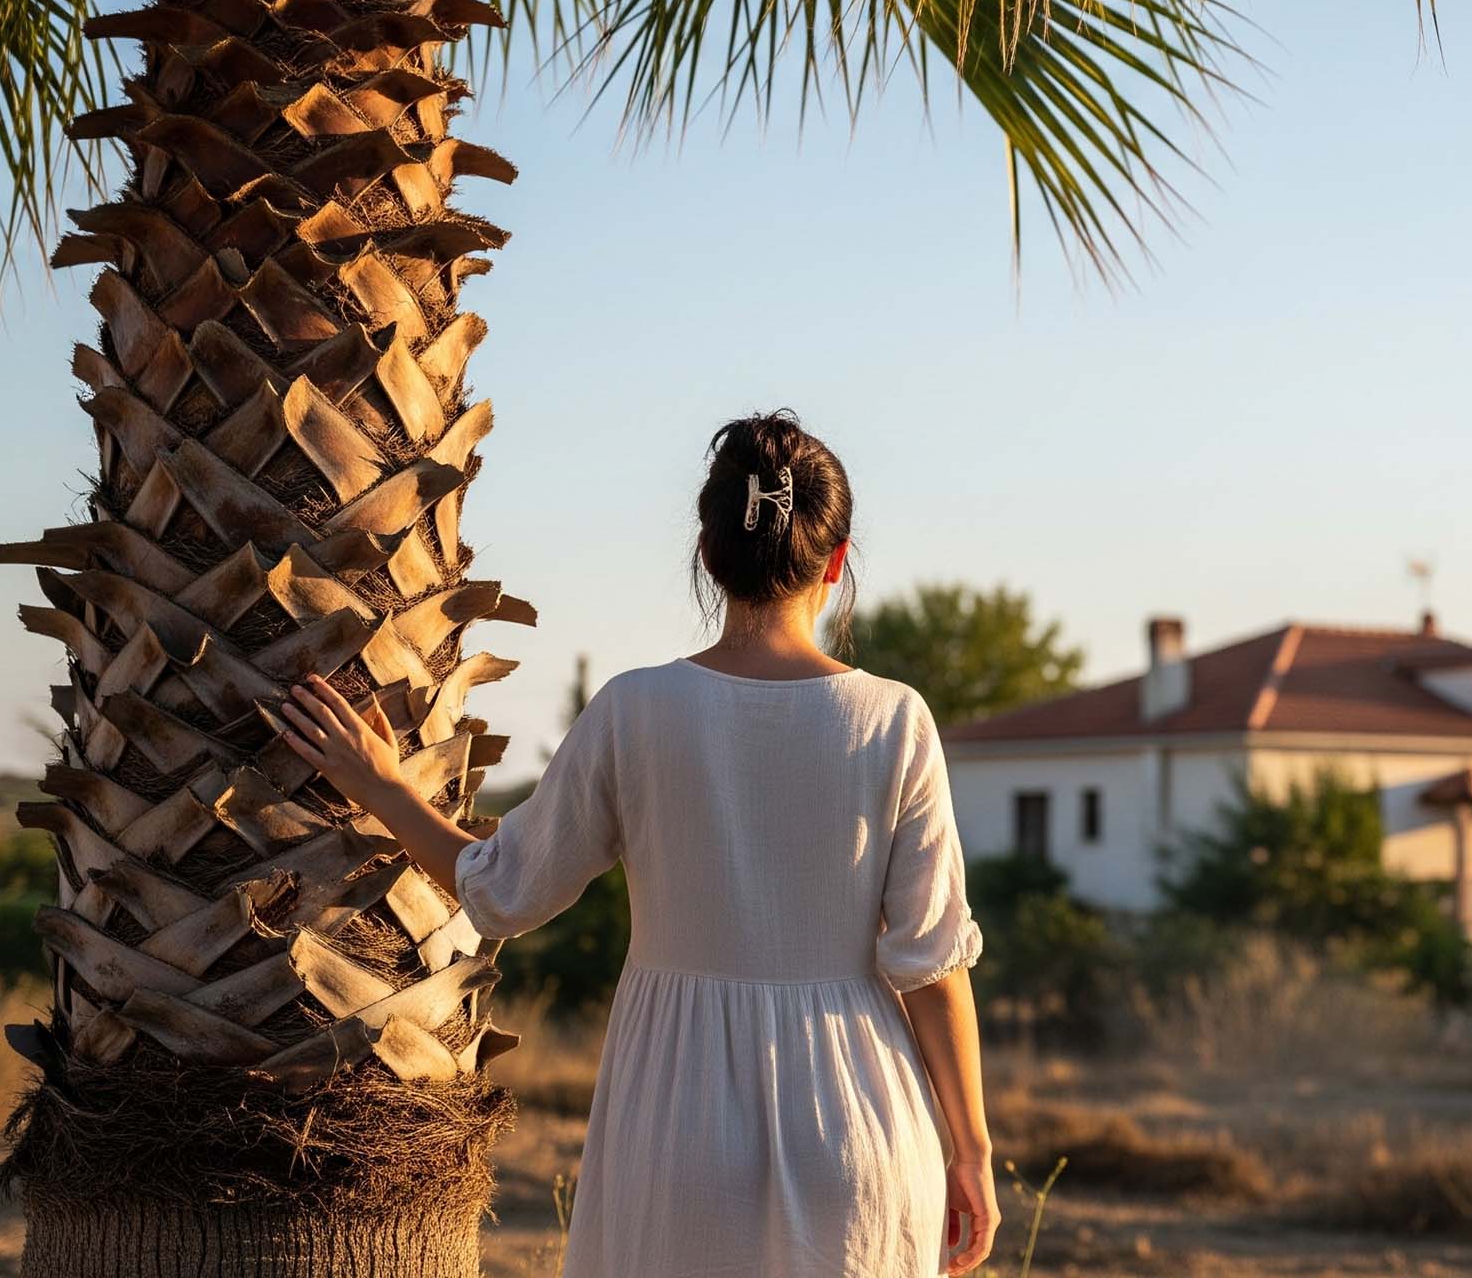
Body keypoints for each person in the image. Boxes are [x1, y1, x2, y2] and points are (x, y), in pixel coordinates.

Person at [274, 410, 997, 1276]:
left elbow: (503, 893)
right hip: (860, 1116)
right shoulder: (895, 720)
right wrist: (971, 1152)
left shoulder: (634, 710)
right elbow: (932, 967)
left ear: (707, 556)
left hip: (675, 1115)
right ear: (837, 563)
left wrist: (384, 787)